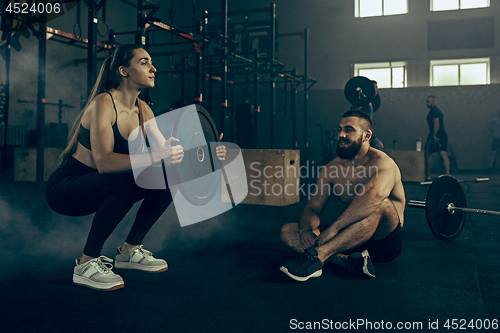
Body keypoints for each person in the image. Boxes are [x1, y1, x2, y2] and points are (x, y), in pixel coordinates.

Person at [46, 44, 226, 291]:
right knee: (127, 179)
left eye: (151, 62)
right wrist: (157, 155)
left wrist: (205, 154)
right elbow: (104, 164)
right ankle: (86, 264)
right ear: (124, 70)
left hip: (102, 187)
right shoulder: (104, 103)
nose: (153, 68)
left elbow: (167, 162)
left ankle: (130, 251)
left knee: (169, 176)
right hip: (66, 189)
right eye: (144, 63)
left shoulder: (144, 110)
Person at [280, 110, 405, 281]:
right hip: (350, 238)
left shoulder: (383, 163)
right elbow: (312, 208)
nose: (341, 135)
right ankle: (345, 261)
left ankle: (318, 256)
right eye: (339, 130)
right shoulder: (331, 169)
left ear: (366, 135)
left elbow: (375, 195)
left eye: (349, 130)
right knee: (288, 230)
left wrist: (334, 228)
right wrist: (306, 230)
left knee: (381, 203)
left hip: (383, 241)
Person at [350, 80, 383, 150]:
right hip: (362, 130)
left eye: (377, 87)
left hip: (367, 130)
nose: (376, 89)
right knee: (379, 146)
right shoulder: (364, 101)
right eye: (374, 87)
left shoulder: (369, 101)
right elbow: (353, 109)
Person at [424, 95, 450, 180]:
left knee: (428, 153)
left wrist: (434, 135)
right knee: (443, 154)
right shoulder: (435, 111)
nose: (427, 103)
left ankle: (428, 175)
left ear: (434, 102)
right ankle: (447, 175)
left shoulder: (434, 111)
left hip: (436, 135)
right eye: (426, 101)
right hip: (442, 135)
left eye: (429, 102)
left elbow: (436, 123)